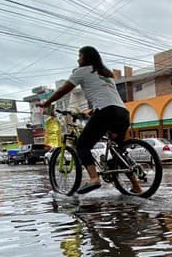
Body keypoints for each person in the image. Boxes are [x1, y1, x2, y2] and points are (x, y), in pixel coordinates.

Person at [39, 46, 142, 194]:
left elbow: (63, 90)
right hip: (122, 113)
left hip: (106, 112)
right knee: (119, 152)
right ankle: (136, 186)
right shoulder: (106, 74)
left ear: (86, 57)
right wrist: (91, 111)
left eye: (79, 56)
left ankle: (94, 179)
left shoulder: (82, 71)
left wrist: (46, 103)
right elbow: (107, 96)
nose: (77, 59)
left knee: (82, 145)